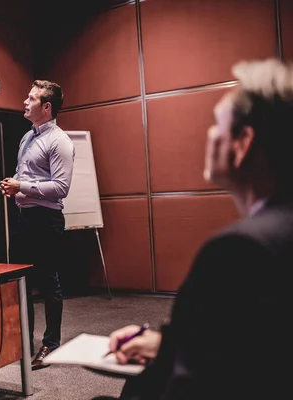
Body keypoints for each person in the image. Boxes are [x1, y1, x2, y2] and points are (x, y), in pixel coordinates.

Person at [100, 59, 293, 399]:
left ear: (243, 142)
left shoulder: (241, 250)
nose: (209, 134)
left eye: (216, 123)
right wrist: (167, 344)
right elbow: (257, 351)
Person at [0, 80, 75, 369]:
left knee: (48, 283)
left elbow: (61, 187)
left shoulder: (59, 141)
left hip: (46, 221)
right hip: (24, 220)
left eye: (31, 99)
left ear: (46, 107)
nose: (24, 102)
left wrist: (23, 186)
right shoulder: (27, 138)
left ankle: (51, 345)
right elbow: (26, 178)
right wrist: (13, 187)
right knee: (20, 282)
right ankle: (24, 341)